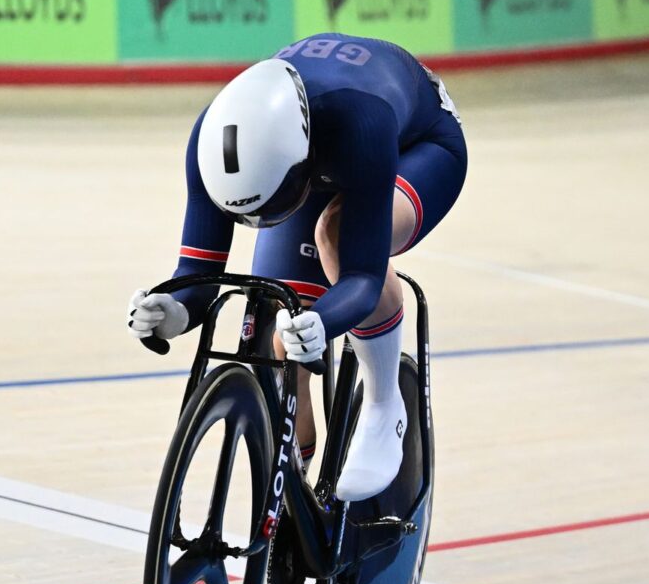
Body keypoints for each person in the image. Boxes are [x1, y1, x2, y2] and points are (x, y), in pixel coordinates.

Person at [128, 35, 467, 501]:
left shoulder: (362, 121)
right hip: (315, 154)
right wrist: (174, 310)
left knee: (337, 235)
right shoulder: (214, 137)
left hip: (417, 145)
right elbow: (197, 272)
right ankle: (295, 503)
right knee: (281, 338)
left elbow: (362, 279)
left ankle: (385, 406)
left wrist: (326, 320)